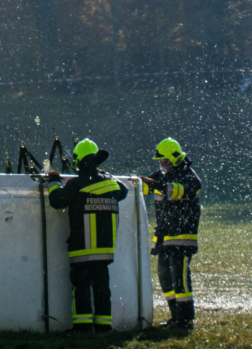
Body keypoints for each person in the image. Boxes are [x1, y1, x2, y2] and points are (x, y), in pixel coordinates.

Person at [46, 138, 127, 332]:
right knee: (102, 288)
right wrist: (105, 174)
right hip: (105, 248)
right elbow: (123, 190)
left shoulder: (76, 185)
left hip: (82, 247)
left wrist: (54, 182)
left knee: (81, 287)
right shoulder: (111, 184)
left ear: (78, 161)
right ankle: (103, 326)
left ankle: (82, 327)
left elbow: (57, 201)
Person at [142, 137, 201, 330]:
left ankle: (185, 319)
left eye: (165, 161)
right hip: (165, 235)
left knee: (179, 276)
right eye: (160, 162)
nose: (162, 165)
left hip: (183, 236)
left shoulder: (189, 177)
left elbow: (177, 191)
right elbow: (144, 188)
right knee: (164, 275)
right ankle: (175, 316)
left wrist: (156, 185)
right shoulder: (161, 176)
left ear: (176, 158)